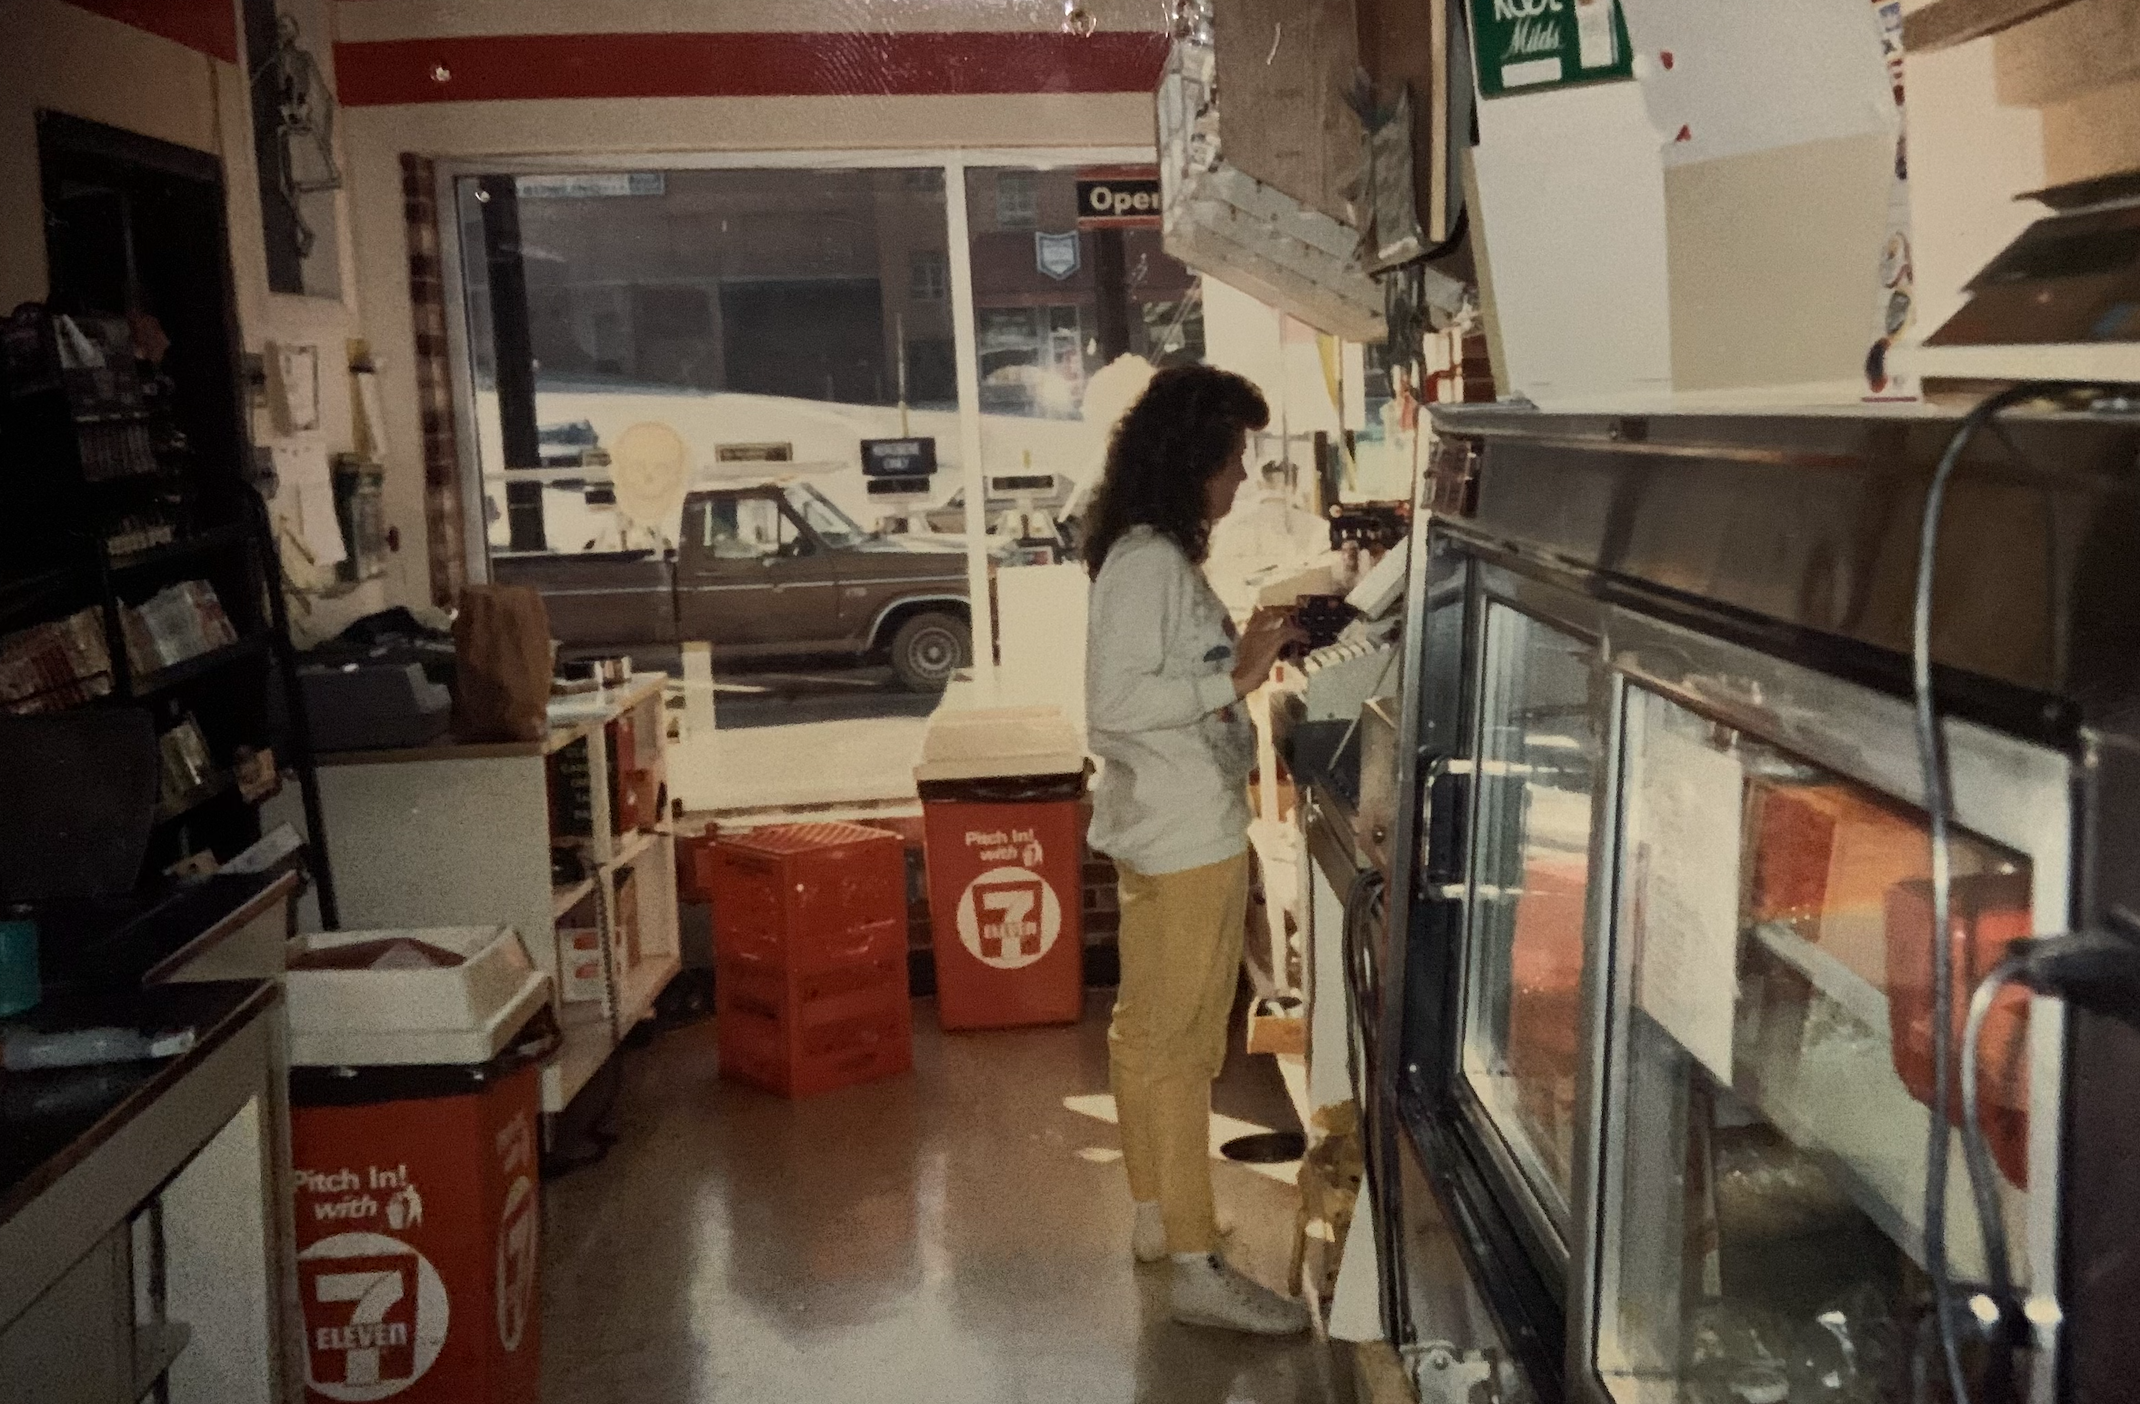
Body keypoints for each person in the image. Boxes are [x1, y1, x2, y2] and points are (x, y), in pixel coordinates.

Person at [1081, 364, 1311, 1335]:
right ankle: (1192, 1260)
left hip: (1161, 826)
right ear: (1192, 462)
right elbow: (1117, 705)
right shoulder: (1147, 565)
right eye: (1232, 460)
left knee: (1147, 1037)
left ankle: (1154, 1219)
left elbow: (1168, 671)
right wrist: (1240, 675)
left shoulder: (1147, 557)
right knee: (1177, 1052)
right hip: (1184, 839)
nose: (1238, 481)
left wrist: (1235, 648)